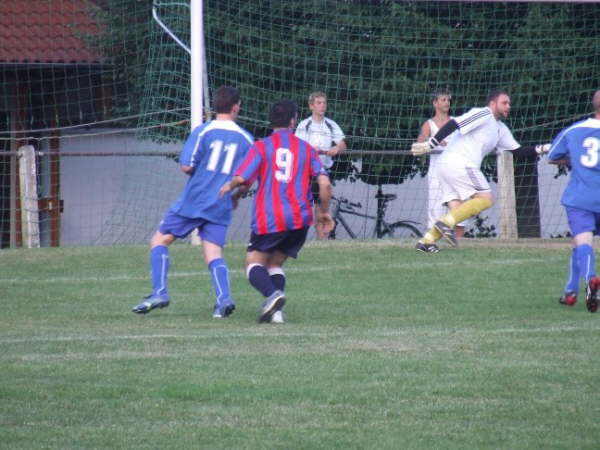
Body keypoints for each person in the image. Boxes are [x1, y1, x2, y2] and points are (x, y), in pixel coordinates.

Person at [132, 86, 254, 318]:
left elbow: (187, 165)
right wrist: (235, 196)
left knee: (160, 240)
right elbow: (246, 180)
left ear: (214, 106)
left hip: (194, 200)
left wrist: (203, 175)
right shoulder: (247, 139)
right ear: (236, 106)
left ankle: (160, 292)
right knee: (213, 253)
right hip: (221, 203)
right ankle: (224, 300)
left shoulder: (202, 132)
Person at [219, 100, 334, 324]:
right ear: (293, 121)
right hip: (300, 219)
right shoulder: (306, 148)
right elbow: (325, 184)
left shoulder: (262, 146)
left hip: (270, 218)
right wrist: (323, 212)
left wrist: (231, 190)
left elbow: (244, 178)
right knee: (274, 264)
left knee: (253, 263)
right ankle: (276, 313)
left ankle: (273, 296)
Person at [411, 89, 550, 252]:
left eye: (509, 103)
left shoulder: (501, 129)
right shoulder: (483, 114)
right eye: (504, 103)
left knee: (457, 210)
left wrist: (545, 148)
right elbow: (455, 123)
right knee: (486, 198)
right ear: (492, 104)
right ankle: (443, 224)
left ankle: (426, 241)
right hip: (460, 163)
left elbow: (518, 151)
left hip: (447, 165)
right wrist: (431, 143)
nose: (508, 106)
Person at [548, 89, 600, 313]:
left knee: (584, 242)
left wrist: (574, 160)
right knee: (578, 245)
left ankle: (590, 278)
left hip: (580, 197)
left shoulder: (574, 130)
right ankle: (570, 291)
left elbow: (552, 156)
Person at [415, 89, 465, 253]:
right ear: (435, 103)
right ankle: (430, 243)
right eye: (443, 100)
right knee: (436, 206)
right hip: (436, 171)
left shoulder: (456, 122)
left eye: (448, 100)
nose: (447, 103)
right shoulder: (429, 124)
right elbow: (419, 145)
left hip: (455, 169)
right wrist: (434, 142)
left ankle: (458, 243)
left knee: (459, 204)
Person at [295, 91, 346, 239]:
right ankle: (297, 241)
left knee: (322, 209)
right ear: (311, 106)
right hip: (306, 172)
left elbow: (342, 144)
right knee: (302, 208)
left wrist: (336, 148)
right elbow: (297, 147)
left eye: (324, 103)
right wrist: (311, 151)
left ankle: (321, 243)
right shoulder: (304, 125)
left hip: (324, 172)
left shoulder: (331, 124)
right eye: (319, 103)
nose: (322, 106)